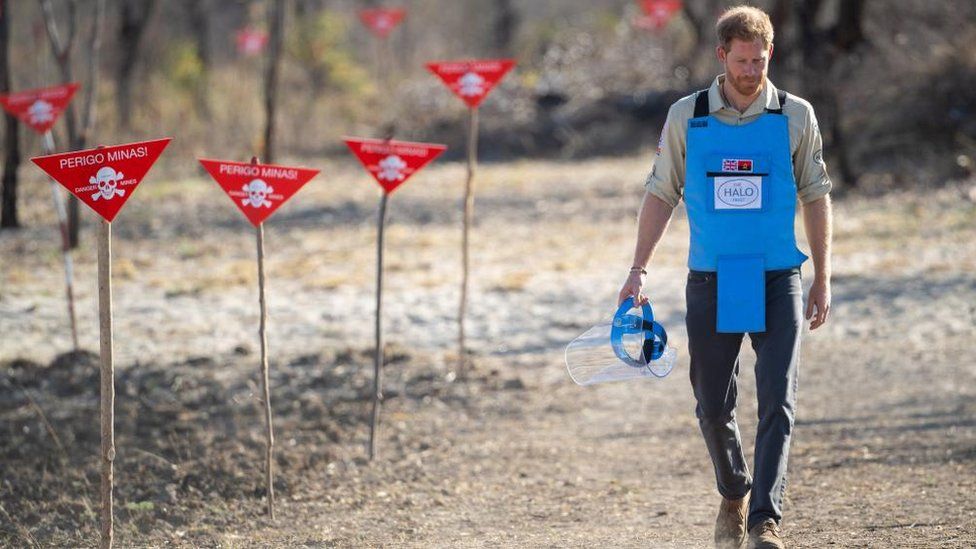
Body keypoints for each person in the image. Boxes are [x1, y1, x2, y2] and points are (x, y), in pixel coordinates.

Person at [617, 6, 833, 549]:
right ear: (721, 56)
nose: (751, 71)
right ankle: (735, 490)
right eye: (741, 61)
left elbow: (816, 194)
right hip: (712, 280)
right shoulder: (686, 116)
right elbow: (661, 193)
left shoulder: (796, 114)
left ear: (770, 54)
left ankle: (765, 519)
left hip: (777, 275)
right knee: (712, 404)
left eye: (759, 60)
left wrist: (823, 276)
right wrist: (637, 270)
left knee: (778, 398)